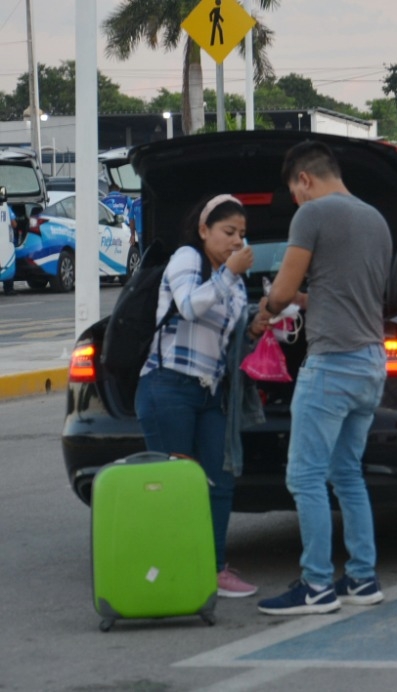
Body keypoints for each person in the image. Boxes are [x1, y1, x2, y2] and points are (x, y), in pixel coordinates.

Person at [257, 141, 392, 615]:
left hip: (332, 364)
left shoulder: (312, 215)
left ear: (305, 179)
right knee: (347, 474)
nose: (296, 202)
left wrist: (265, 311)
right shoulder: (375, 219)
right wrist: (296, 301)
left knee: (305, 476)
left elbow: (284, 289)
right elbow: (343, 293)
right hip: (372, 362)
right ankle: (362, 577)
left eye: (295, 193)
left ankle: (315, 585)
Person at [134, 193, 269, 599]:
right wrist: (229, 273)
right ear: (204, 230)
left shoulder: (233, 282)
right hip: (168, 386)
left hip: (211, 392)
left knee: (219, 480)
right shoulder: (187, 260)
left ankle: (213, 568)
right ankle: (172, 571)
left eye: (242, 234)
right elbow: (190, 307)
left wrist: (255, 325)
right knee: (175, 486)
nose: (236, 241)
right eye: (228, 232)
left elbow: (228, 343)